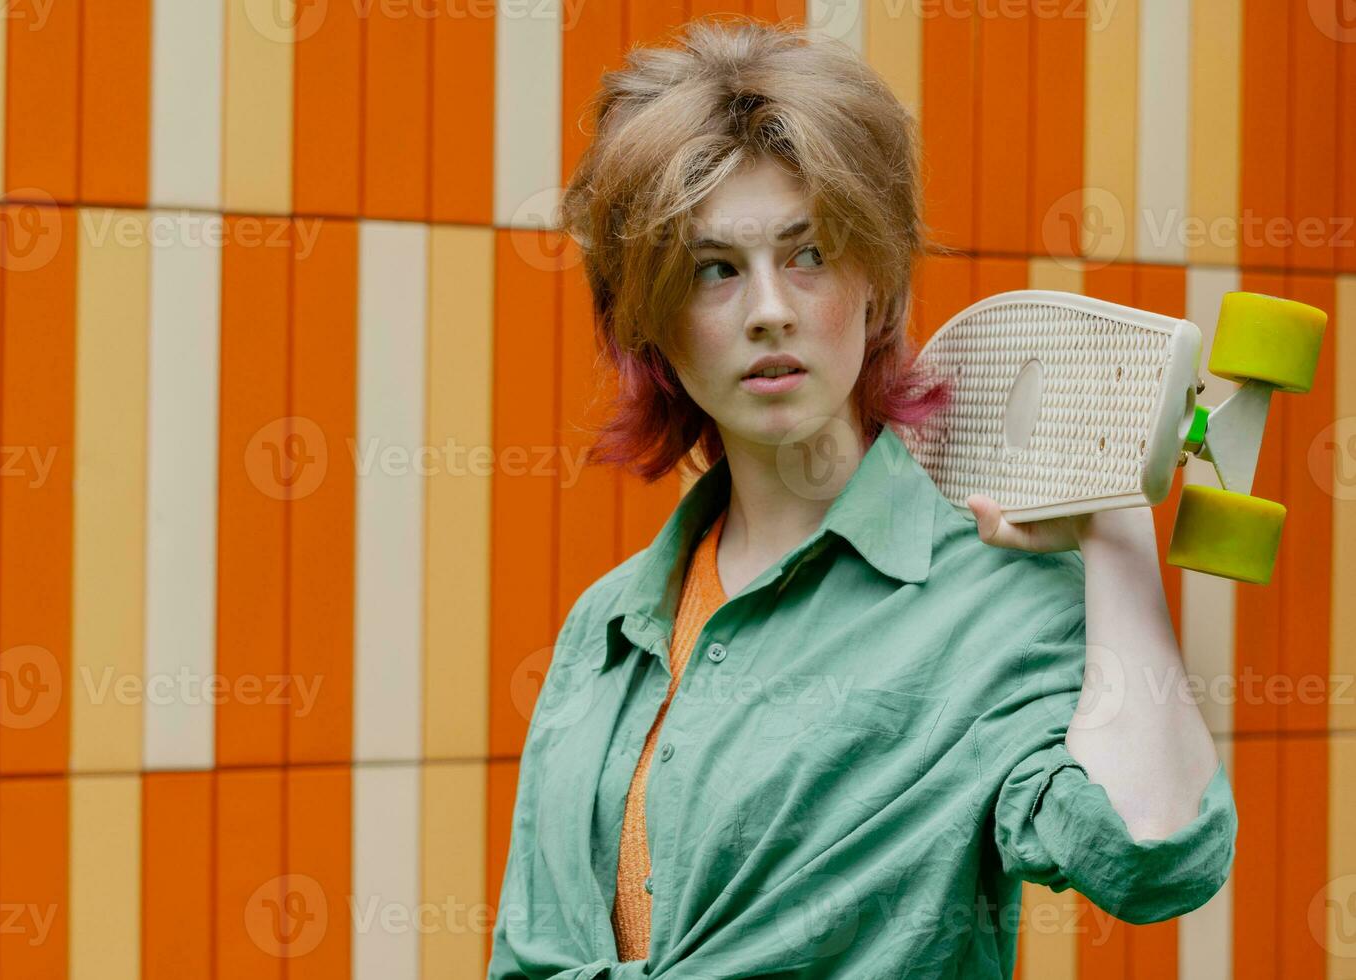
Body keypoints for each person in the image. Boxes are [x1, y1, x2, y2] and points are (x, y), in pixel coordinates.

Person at [487, 17, 1235, 979]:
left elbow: (1152, 852)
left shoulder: (992, 597)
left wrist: (1116, 535)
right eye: (714, 269)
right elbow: (526, 953)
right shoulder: (609, 624)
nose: (769, 308)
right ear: (651, 325)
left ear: (876, 287)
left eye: (809, 254)